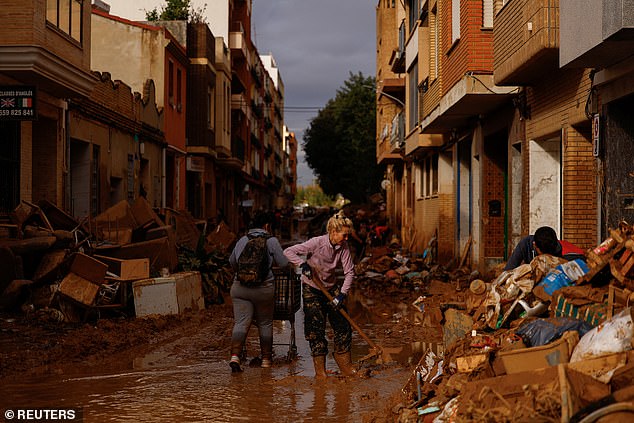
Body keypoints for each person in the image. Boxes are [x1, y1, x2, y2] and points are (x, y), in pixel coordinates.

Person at [283, 210, 356, 378]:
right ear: (333, 232)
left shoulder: (343, 247)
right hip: (312, 288)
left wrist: (342, 295)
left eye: (348, 235)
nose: (347, 239)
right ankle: (320, 372)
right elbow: (289, 251)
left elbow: (350, 272)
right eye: (344, 235)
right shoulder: (316, 243)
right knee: (316, 329)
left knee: (343, 325)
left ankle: (345, 364)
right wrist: (303, 265)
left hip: (331, 288)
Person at [228, 212, 289, 372]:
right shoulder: (272, 241)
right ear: (267, 226)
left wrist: (243, 274)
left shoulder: (242, 240)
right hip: (263, 290)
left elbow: (232, 262)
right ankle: (266, 360)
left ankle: (235, 356)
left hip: (240, 288)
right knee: (265, 323)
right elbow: (283, 264)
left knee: (241, 322)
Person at [504, 226, 585, 271]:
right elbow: (509, 269)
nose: (545, 258)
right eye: (542, 253)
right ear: (534, 245)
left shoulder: (561, 250)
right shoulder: (525, 244)